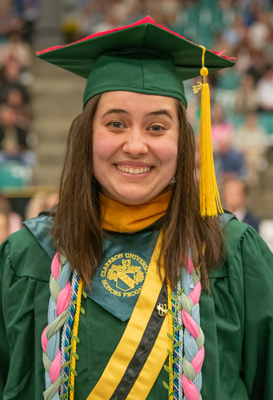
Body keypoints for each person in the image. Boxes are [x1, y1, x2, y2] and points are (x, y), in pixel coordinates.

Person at [1, 16, 273, 400]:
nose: (135, 145)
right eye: (115, 124)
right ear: (86, 136)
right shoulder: (28, 256)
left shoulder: (232, 254)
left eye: (157, 128)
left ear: (183, 142)